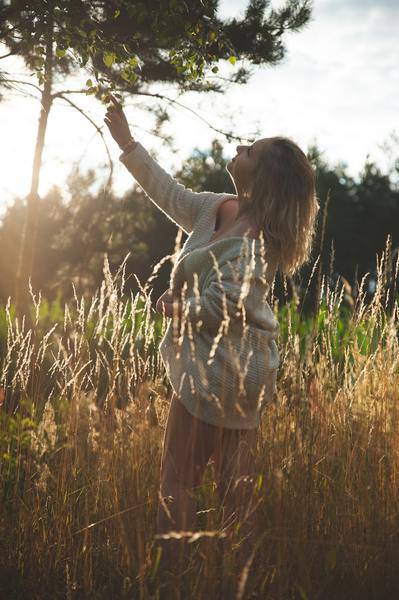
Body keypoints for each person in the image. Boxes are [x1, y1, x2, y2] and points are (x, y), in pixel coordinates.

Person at [104, 96, 319, 582]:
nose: (240, 146)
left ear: (261, 176)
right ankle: (244, 580)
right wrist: (128, 144)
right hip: (247, 371)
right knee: (234, 489)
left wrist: (176, 308)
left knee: (177, 479)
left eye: (251, 149)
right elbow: (168, 192)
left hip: (221, 368)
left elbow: (224, 305)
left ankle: (169, 581)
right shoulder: (216, 208)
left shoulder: (253, 240)